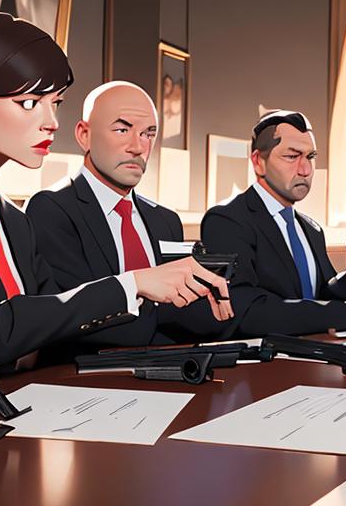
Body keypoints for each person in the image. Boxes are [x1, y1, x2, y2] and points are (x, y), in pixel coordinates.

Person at [0, 13, 230, 367]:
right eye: (29, 103)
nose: (50, 123)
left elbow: (55, 319)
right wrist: (131, 283)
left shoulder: (12, 218)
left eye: (56, 104)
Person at [26, 81, 233, 344]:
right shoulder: (51, 210)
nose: (137, 147)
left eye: (148, 134)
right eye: (122, 129)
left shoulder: (165, 220)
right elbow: (76, 324)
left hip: (175, 371)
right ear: (84, 135)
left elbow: (206, 317)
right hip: (91, 380)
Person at [201, 110, 346, 336]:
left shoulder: (310, 228)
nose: (305, 170)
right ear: (258, 162)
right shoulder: (227, 221)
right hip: (266, 365)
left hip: (318, 356)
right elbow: (247, 312)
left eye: (310, 157)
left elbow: (317, 299)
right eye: (292, 157)